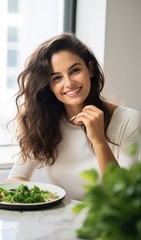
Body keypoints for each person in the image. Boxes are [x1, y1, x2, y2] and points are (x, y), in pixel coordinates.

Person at [7, 33, 141, 200]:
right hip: (59, 221)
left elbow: (124, 198)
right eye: (57, 78)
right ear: (49, 86)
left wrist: (99, 141)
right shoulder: (45, 122)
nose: (69, 83)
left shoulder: (128, 120)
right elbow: (16, 178)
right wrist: (38, 200)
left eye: (75, 70)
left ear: (90, 69)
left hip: (108, 224)